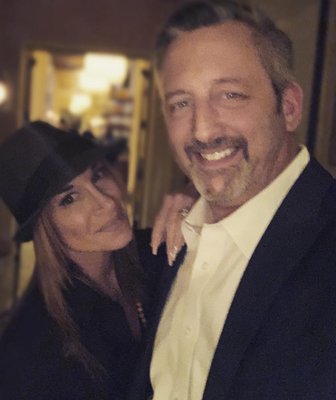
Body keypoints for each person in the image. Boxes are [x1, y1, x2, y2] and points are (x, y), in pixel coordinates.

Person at [128, 1, 336, 399]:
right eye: (181, 103)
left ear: (289, 107)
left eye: (230, 95)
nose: (202, 131)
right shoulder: (163, 246)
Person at [0, 121, 167, 400]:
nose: (106, 203)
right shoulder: (29, 355)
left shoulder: (154, 253)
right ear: (46, 228)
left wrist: (191, 199)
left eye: (98, 175)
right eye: (69, 199)